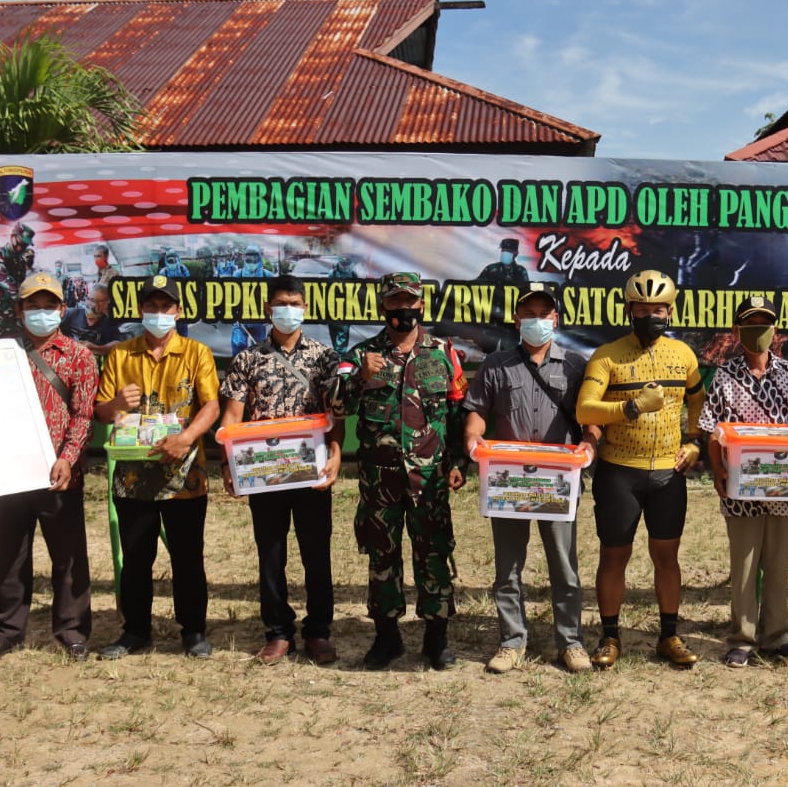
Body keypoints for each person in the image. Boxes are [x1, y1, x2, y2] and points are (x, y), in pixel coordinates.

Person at [0, 272, 97, 663]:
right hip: (11, 473)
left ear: (62, 310)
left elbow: (83, 415)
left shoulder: (79, 356)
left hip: (60, 474)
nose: (42, 312)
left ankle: (72, 632)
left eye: (50, 305)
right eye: (33, 305)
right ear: (19, 310)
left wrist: (68, 457)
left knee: (69, 557)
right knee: (11, 555)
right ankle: (5, 631)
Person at [328, 272, 468, 671]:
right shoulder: (361, 354)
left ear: (422, 305)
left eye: (410, 302)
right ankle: (386, 638)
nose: (403, 309)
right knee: (382, 557)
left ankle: (436, 639)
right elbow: (336, 405)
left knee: (434, 554)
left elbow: (458, 413)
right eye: (395, 303)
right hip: (380, 480)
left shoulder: (443, 352)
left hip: (431, 480)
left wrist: (459, 462)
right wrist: (360, 377)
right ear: (382, 306)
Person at [463, 283, 601, 674]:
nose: (536, 321)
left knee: (564, 565)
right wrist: (473, 439)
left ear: (555, 319)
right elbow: (476, 410)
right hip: (510, 482)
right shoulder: (495, 365)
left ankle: (570, 642)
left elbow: (591, 420)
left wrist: (590, 445)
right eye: (529, 314)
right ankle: (511, 640)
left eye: (544, 314)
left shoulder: (576, 365)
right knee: (508, 567)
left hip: (559, 481)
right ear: (517, 319)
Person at [575, 269, 707, 669]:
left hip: (668, 472)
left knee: (667, 556)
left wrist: (694, 442)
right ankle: (610, 636)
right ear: (629, 310)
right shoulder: (607, 355)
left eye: (658, 309)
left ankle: (669, 636)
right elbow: (584, 409)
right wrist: (629, 407)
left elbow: (697, 401)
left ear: (670, 311)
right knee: (614, 556)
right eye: (642, 309)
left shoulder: (683, 355)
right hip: (620, 472)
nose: (651, 315)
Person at [219, 274, 344, 666]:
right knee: (270, 554)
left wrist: (337, 452)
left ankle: (319, 630)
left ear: (305, 308)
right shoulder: (247, 360)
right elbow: (232, 416)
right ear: (268, 309)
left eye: (295, 303)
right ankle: (277, 631)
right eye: (280, 304)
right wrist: (228, 464)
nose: (287, 310)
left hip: (311, 472)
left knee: (316, 552)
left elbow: (334, 413)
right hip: (265, 471)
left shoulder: (323, 358)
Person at [94, 274, 221, 660]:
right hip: (134, 478)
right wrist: (117, 404)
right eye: (152, 307)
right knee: (136, 558)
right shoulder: (121, 355)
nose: (159, 314)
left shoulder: (197, 353)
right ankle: (135, 631)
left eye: (166, 307)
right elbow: (101, 412)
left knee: (187, 557)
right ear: (140, 310)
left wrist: (186, 438)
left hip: (185, 475)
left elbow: (211, 406)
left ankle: (193, 630)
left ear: (178, 312)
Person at [699, 295, 788, 667]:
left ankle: (777, 635)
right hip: (741, 486)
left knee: (778, 563)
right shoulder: (725, 374)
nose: (758, 331)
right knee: (745, 564)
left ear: (775, 330)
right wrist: (718, 469)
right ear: (737, 331)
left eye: (764, 323)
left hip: (784, 483)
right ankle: (742, 637)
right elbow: (711, 427)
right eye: (750, 324)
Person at [0, 222, 36, 337]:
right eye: (20, 243)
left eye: (25, 245)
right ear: (12, 237)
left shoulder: (21, 262)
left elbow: (21, 284)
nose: (21, 248)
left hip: (11, 314)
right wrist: (26, 301)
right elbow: (4, 280)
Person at [60, 282, 122, 357]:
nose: (88, 303)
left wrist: (96, 348)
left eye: (93, 300)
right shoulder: (71, 314)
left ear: (106, 304)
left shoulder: (108, 323)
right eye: (88, 298)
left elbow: (117, 344)